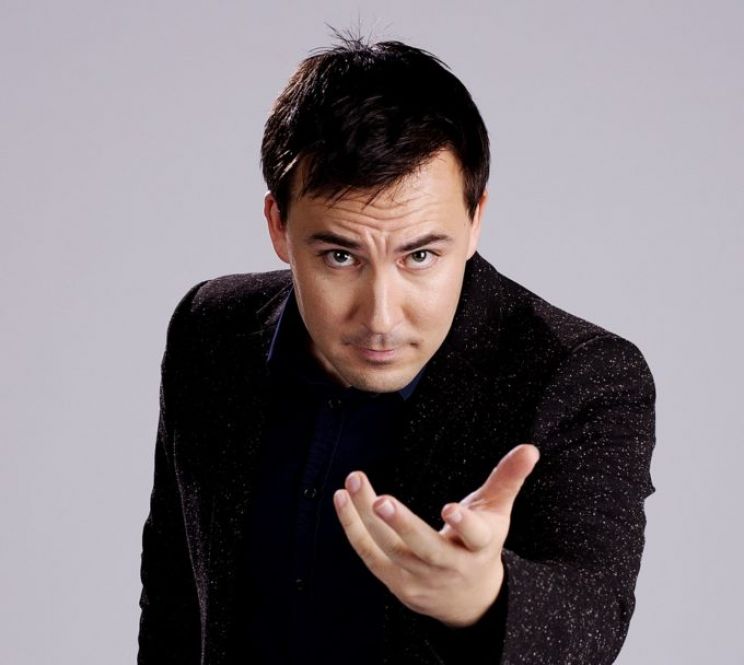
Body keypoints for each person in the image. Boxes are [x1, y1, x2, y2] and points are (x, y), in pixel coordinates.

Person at [137, 31, 657, 665]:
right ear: (278, 225)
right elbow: (173, 599)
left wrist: (480, 600)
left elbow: (592, 613)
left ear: (476, 220)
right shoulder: (211, 329)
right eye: (340, 256)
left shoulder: (580, 374)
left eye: (420, 256)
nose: (381, 317)